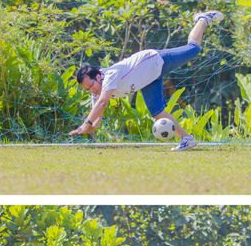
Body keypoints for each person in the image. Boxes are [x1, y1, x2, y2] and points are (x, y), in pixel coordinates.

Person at [69, 10, 223, 151]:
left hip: (155, 61)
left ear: (98, 77)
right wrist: (91, 127)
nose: (92, 90)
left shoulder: (109, 76)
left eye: (91, 86)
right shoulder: (97, 90)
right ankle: (187, 139)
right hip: (148, 80)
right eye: (87, 89)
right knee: (157, 113)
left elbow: (102, 103)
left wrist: (86, 124)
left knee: (193, 49)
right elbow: (98, 114)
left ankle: (203, 19)